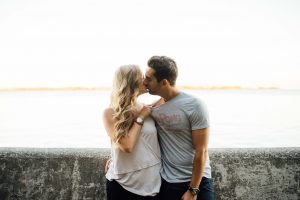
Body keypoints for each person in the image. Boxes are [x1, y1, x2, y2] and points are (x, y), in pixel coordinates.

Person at [143, 56, 215, 200]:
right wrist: (114, 157)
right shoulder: (153, 108)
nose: (144, 82)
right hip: (168, 182)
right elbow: (138, 137)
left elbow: (201, 150)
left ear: (164, 82)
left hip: (197, 181)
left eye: (149, 79)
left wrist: (193, 190)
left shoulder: (195, 105)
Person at [103, 64, 161, 200]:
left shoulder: (149, 107)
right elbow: (127, 146)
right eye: (142, 78)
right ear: (131, 82)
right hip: (123, 186)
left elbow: (169, 92)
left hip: (153, 185)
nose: (146, 81)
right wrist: (140, 118)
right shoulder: (110, 112)